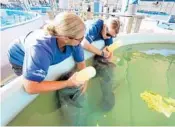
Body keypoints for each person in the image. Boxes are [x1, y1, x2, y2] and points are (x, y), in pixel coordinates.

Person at [8, 12, 87, 94]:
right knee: (26, 88)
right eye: (80, 38)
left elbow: (81, 63)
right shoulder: (41, 49)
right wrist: (67, 83)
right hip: (19, 56)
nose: (82, 40)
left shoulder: (74, 41)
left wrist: (85, 81)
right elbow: (30, 87)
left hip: (38, 49)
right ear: (66, 38)